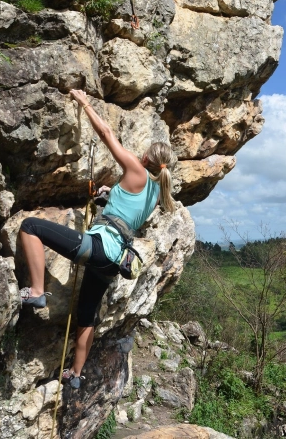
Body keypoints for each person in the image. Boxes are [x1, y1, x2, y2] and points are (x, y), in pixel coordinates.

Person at [18, 89, 177, 389]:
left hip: (100, 247)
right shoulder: (155, 194)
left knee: (30, 226)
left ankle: (37, 291)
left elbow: (105, 134)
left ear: (146, 157)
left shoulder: (135, 168)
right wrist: (106, 197)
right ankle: (76, 375)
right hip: (113, 262)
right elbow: (125, 213)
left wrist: (85, 103)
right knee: (86, 316)